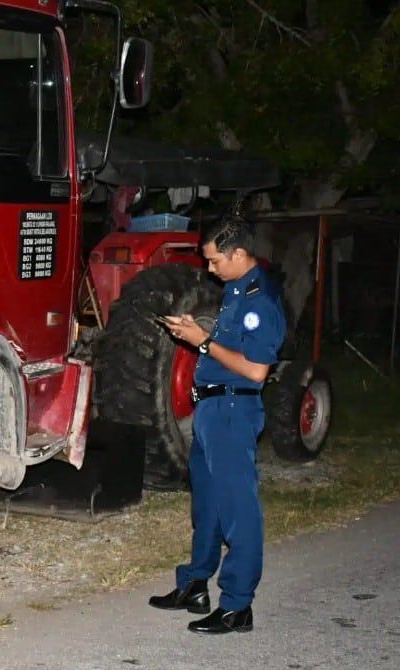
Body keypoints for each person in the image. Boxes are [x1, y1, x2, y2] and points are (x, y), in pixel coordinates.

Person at [148, 217, 285, 634]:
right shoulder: (236, 291)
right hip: (211, 410)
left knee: (237, 510)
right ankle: (194, 584)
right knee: (206, 507)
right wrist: (198, 332)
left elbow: (256, 370)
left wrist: (202, 343)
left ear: (239, 255)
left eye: (213, 261)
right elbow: (230, 348)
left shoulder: (260, 303)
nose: (209, 269)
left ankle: (237, 605)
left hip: (231, 411)